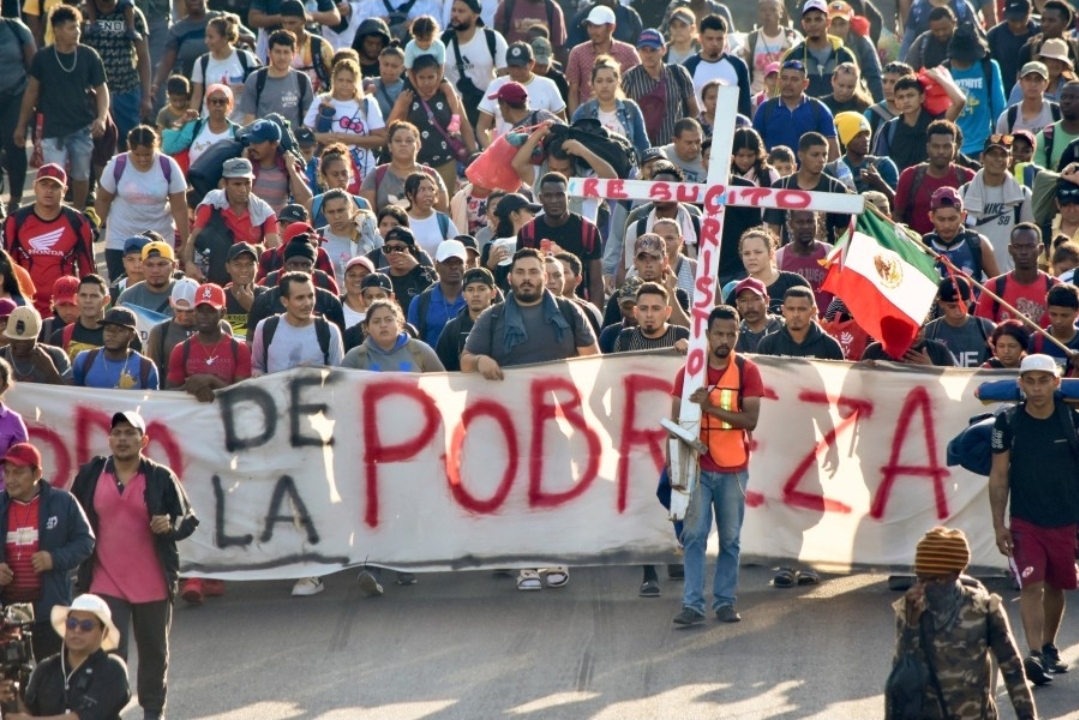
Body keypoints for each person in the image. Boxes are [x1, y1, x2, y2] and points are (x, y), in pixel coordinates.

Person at [461, 247, 596, 591]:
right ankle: (525, 563)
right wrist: (480, 362)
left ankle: (555, 557)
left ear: (545, 277)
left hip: (559, 422)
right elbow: (465, 359)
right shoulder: (491, 318)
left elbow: (593, 359)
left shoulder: (569, 311)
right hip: (510, 425)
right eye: (520, 272)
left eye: (533, 272)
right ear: (510, 278)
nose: (526, 279)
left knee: (555, 491)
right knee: (519, 493)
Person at [69, 411, 197, 720]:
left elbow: (188, 518)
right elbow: (71, 514)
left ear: (144, 441)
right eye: (118, 433)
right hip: (104, 581)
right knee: (111, 655)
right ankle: (109, 712)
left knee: (154, 655)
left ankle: (153, 712)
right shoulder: (91, 475)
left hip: (152, 581)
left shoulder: (160, 477)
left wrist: (169, 525)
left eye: (130, 433)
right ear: (110, 439)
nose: (123, 439)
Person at [670, 304, 763, 625]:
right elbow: (675, 422)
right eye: (719, 333)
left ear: (739, 334)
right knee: (694, 537)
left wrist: (710, 407)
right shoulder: (688, 373)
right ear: (707, 335)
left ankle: (725, 602)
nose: (725, 339)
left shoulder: (747, 371)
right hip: (697, 468)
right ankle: (692, 605)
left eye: (731, 333)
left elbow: (750, 420)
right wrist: (677, 465)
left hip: (733, 468)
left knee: (730, 539)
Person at [989, 353, 1079, 684]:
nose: (1037, 388)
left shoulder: (1073, 420)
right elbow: (999, 476)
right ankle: (1034, 654)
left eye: (1044, 381)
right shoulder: (1007, 422)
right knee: (1032, 584)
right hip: (1025, 520)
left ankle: (1049, 646)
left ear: (1057, 382)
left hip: (1067, 519)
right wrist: (999, 525)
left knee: (1057, 586)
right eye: (1031, 381)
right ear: (1021, 384)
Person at [890, 527, 1037, 718]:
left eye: (933, 578)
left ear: (955, 574)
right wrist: (911, 625)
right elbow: (901, 674)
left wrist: (1027, 717)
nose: (924, 586)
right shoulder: (912, 607)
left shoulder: (984, 608)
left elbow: (1012, 669)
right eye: (920, 577)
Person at [0, 441, 93, 662]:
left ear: (37, 473)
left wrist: (55, 558)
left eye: (19, 472)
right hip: (7, 614)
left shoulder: (63, 502)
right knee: (11, 684)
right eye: (7, 472)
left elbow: (86, 541)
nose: (10, 479)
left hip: (50, 611)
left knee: (52, 681)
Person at [14, 5, 109, 211]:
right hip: (53, 130)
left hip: (82, 127)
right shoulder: (42, 58)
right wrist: (21, 126)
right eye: (72, 28)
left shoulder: (89, 55)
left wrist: (101, 118)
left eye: (78, 27)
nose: (77, 32)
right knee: (53, 176)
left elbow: (102, 90)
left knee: (82, 175)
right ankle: (54, 214)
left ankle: (79, 213)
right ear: (57, 30)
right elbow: (31, 93)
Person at [0, 594, 130, 719]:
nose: (77, 630)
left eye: (86, 626)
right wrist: (12, 697)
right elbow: (29, 715)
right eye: (72, 623)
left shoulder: (113, 669)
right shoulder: (46, 668)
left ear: (104, 632)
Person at [96, 126, 189, 282]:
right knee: (119, 285)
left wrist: (186, 242)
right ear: (129, 147)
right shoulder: (117, 165)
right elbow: (103, 200)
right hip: (121, 239)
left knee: (158, 284)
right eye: (137, 154)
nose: (142, 159)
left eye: (148, 154)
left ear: (156, 146)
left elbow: (179, 206)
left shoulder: (168, 166)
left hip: (159, 238)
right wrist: (95, 228)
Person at [3, 164, 95, 315]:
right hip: (24, 304)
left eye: (55, 186)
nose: (49, 190)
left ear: (65, 190)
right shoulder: (15, 220)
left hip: (65, 307)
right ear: (35, 186)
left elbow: (88, 269)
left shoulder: (78, 222)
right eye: (44, 184)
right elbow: (7, 268)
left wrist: (90, 310)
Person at [387, 53, 478, 195]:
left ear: (439, 76)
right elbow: (391, 129)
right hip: (415, 165)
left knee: (445, 205)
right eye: (421, 78)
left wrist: (474, 155)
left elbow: (464, 125)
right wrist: (399, 106)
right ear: (414, 78)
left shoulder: (449, 96)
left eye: (431, 77)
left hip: (446, 162)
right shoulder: (408, 97)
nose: (426, 82)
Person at [184, 158, 280, 285]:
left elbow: (275, 253)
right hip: (211, 273)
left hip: (247, 277)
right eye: (237, 184)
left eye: (247, 183)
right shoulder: (212, 203)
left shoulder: (264, 212)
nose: (243, 189)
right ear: (225, 183)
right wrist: (189, 264)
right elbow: (193, 239)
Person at [517, 174, 604, 308]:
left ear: (568, 197)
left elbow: (596, 281)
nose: (554, 200)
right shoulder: (527, 232)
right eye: (548, 196)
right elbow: (520, 277)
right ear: (540, 198)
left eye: (559, 195)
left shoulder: (588, 230)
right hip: (538, 306)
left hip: (577, 307)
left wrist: (595, 316)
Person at [304, 57, 387, 187]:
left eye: (349, 81)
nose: (344, 84)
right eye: (340, 80)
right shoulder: (322, 100)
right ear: (333, 80)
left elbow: (382, 139)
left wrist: (353, 139)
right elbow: (304, 135)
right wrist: (323, 137)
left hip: (364, 171)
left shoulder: (367, 103)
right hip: (330, 173)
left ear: (356, 82)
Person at [959, 135, 1034, 273]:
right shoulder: (964, 192)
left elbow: (1030, 238)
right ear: (982, 158)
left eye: (1003, 155)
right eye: (993, 154)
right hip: (973, 274)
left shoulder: (1023, 195)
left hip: (1009, 274)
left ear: (1010, 160)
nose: (998, 159)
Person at [764, 132, 851, 244]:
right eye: (815, 155)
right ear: (800, 155)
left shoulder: (836, 188)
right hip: (789, 260)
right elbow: (773, 234)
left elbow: (844, 234)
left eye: (824, 155)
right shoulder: (780, 186)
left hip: (825, 259)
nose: (821, 160)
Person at [894, 120, 976, 236]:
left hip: (957, 249)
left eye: (946, 146)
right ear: (927, 147)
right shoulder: (909, 176)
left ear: (955, 147)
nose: (941, 151)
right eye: (936, 146)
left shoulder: (969, 178)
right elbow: (897, 215)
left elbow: (975, 218)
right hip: (917, 249)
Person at [873, 70, 966, 171]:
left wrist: (939, 77)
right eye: (901, 97)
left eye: (910, 95)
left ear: (922, 97)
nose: (906, 101)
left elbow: (960, 101)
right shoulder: (889, 129)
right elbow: (880, 163)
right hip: (900, 186)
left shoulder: (937, 123)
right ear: (896, 102)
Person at [621, 28, 698, 147]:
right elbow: (620, 113)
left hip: (675, 148)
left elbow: (694, 111)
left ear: (663, 50)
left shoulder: (678, 73)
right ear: (638, 52)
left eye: (653, 50)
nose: (648, 55)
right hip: (642, 149)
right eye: (644, 50)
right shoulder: (629, 78)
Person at [475, 47, 565, 145]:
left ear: (532, 64)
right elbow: (481, 127)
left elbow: (561, 124)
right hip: (503, 152)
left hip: (541, 154)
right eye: (512, 66)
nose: (516, 71)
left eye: (520, 66)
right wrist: (491, 154)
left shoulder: (548, 85)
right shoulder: (496, 85)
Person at [975, 223, 1059, 327]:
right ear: (1010, 249)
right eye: (1018, 246)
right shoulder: (993, 287)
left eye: (1030, 246)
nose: (1023, 252)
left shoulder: (1056, 287)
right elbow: (983, 332)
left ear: (1040, 249)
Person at [443, 0, 508, 131]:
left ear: (475, 16)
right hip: (453, 111)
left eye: (461, 11)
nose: (455, 15)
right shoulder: (442, 41)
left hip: (487, 111)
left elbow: (506, 77)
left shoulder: (492, 38)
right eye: (454, 10)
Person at [752, 59, 837, 157]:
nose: (788, 83)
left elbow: (833, 151)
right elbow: (755, 147)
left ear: (805, 84)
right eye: (784, 78)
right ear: (779, 81)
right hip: (773, 171)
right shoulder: (765, 108)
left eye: (794, 79)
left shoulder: (819, 110)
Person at [360, 121, 449, 213]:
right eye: (398, 140)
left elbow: (443, 216)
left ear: (418, 145)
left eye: (409, 140)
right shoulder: (376, 175)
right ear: (390, 146)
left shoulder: (432, 175)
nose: (403, 144)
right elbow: (367, 219)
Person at [565, 4, 640, 114]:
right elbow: (573, 91)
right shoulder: (578, 52)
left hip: (622, 117)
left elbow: (639, 88)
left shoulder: (629, 52)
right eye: (590, 26)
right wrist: (575, 124)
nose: (592, 31)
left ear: (611, 27)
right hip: (588, 118)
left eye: (597, 26)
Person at [570, 55, 649, 156]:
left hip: (628, 169)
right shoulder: (583, 112)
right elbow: (572, 144)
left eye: (609, 80)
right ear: (592, 83)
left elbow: (643, 146)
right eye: (599, 81)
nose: (604, 85)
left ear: (618, 81)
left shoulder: (631, 108)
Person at [190, 14, 260, 122]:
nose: (206, 41)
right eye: (206, 36)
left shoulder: (245, 58)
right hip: (209, 125)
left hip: (238, 125)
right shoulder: (201, 62)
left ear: (225, 38)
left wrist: (248, 87)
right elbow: (196, 97)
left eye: (211, 37)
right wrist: (192, 123)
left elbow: (258, 87)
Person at [782, 0, 858, 99]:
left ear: (828, 22)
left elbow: (856, 93)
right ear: (803, 24)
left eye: (818, 19)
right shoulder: (792, 56)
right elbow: (779, 94)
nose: (813, 24)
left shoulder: (844, 55)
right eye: (808, 20)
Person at [240, 29, 314, 128]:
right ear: (269, 52)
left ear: (293, 54)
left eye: (286, 52)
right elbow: (248, 121)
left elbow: (308, 122)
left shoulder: (302, 80)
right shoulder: (255, 79)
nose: (282, 57)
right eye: (278, 52)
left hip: (293, 141)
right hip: (263, 140)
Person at [72, 307, 158, 390]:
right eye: (108, 329)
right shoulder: (84, 360)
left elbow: (152, 403)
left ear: (132, 336)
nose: (112, 334)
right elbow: (72, 396)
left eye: (120, 330)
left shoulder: (146, 367)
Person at [0, 15, 35, 217]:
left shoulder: (16, 29)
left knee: (15, 145)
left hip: (16, 96)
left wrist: (35, 99)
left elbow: (34, 66)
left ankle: (15, 199)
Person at [683, 14, 750, 117]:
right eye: (710, 39)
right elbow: (684, 107)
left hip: (729, 128)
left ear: (726, 38)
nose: (715, 43)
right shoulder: (688, 67)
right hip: (699, 130)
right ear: (700, 38)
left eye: (719, 39)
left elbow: (745, 107)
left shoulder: (738, 66)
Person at [162, 83, 241, 171]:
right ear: (207, 104)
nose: (217, 105)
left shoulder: (238, 132)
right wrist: (181, 121)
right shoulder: (195, 126)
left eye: (222, 101)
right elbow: (168, 148)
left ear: (229, 105)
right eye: (213, 101)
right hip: (192, 183)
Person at [435, 266, 496, 371]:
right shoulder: (452, 329)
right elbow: (441, 371)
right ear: (463, 294)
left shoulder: (505, 324)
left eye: (481, 289)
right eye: (470, 289)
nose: (475, 294)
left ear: (493, 293)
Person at [756, 286, 844, 359]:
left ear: (813, 311)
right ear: (783, 310)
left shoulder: (830, 346)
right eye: (791, 309)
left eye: (802, 309)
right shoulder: (768, 345)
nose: (796, 314)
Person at [408, 239, 467, 345]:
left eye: (458, 262)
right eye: (447, 262)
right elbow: (412, 344)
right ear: (436, 266)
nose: (453, 267)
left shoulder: (477, 298)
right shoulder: (420, 302)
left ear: (465, 266)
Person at [832, 111, 898, 201]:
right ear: (846, 140)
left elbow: (898, 204)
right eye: (858, 136)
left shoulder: (884, 165)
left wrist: (879, 182)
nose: (865, 139)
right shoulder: (833, 169)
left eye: (867, 134)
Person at [775, 210, 833, 311]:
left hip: (826, 322)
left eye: (810, 221)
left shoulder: (830, 253)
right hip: (793, 322)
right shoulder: (779, 257)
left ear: (817, 223)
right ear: (790, 225)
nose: (806, 227)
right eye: (800, 222)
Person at [741, 0, 801, 96]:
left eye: (773, 10)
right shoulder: (751, 39)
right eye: (763, 10)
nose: (767, 13)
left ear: (781, 13)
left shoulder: (792, 36)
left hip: (786, 95)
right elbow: (744, 70)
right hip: (757, 95)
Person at [1, 306, 70, 384]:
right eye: (15, 339)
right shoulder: (1, 357)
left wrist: (50, 371)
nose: (21, 344)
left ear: (38, 335)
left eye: (27, 340)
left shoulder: (56, 355)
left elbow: (69, 393)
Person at [987, 0, 1037, 98]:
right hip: (1003, 93)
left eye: (1022, 20)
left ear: (1030, 11)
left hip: (1034, 91)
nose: (1017, 25)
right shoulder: (994, 35)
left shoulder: (1039, 33)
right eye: (1013, 20)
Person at [117, 241, 179, 318]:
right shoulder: (127, 298)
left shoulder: (186, 291)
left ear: (173, 266)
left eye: (161, 264)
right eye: (149, 265)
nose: (155, 270)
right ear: (142, 266)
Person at [1000, 62, 1061, 135]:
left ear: (1046, 84)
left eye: (1038, 80)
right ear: (1020, 83)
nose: (1033, 84)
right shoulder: (1007, 117)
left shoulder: (1058, 113)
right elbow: (999, 145)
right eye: (1028, 79)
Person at [1033, 80, 1079, 171]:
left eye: (1072, 97)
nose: (1066, 101)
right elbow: (1038, 177)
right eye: (1063, 97)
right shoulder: (1046, 136)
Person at [732, 277, 784, 352]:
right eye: (743, 300)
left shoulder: (784, 327)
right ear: (737, 304)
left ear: (767, 301)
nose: (750, 305)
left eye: (756, 299)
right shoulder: (734, 335)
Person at [660, 118, 708, 183]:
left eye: (698, 142)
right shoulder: (661, 156)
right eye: (689, 143)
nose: (694, 148)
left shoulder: (709, 160)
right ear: (675, 141)